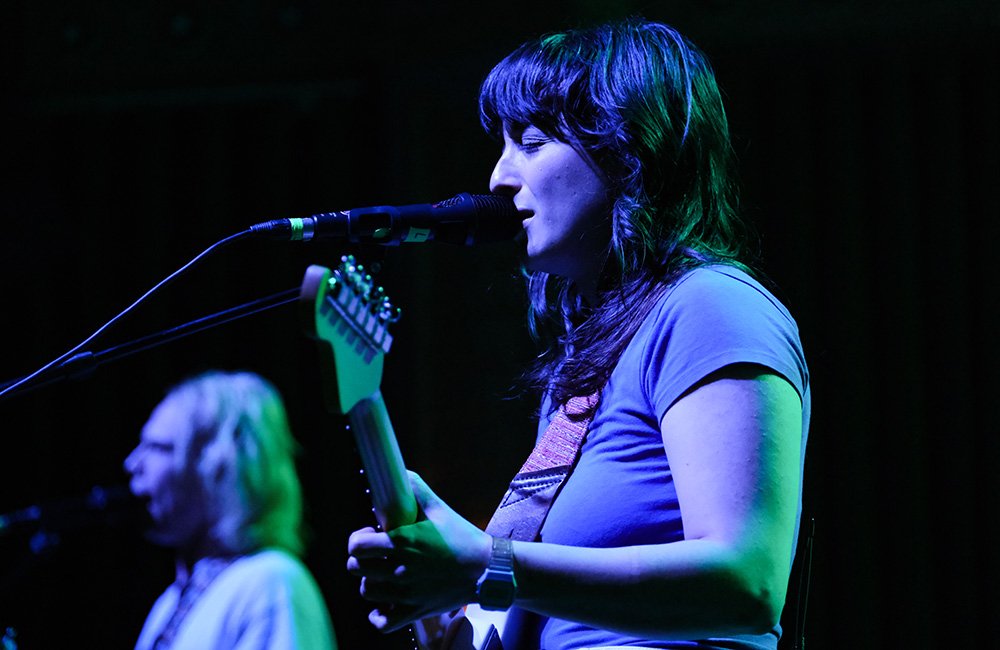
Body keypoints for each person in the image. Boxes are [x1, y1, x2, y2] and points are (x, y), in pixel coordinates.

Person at [347, 17, 809, 650]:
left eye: (532, 142)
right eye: (502, 145)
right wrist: (446, 608)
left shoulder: (709, 306)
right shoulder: (585, 373)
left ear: (627, 150)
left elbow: (748, 584)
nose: (498, 178)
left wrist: (486, 565)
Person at [124, 371, 337, 650]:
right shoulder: (171, 600)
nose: (133, 463)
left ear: (219, 468)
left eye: (158, 447)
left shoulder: (271, 584)